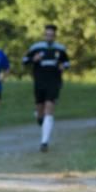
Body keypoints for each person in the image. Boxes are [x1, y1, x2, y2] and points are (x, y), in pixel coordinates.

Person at [22, 24, 70, 152]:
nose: (49, 37)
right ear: (44, 35)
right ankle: (39, 117)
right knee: (40, 111)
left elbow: (67, 62)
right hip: (39, 82)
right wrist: (34, 59)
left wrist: (63, 67)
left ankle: (44, 142)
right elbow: (25, 61)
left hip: (54, 82)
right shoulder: (36, 47)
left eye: (51, 35)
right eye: (47, 34)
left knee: (49, 108)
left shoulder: (60, 49)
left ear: (55, 36)